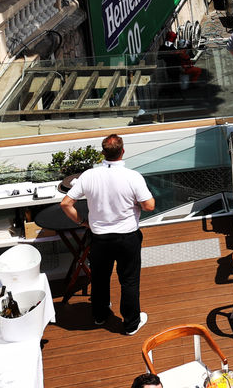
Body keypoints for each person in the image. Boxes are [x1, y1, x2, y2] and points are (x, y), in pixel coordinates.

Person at [60, 134, 155, 335]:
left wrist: (82, 222)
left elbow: (65, 203)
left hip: (99, 238)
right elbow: (149, 205)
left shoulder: (88, 176)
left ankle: (100, 315)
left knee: (100, 278)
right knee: (128, 280)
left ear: (103, 153)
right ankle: (131, 324)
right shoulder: (132, 176)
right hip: (127, 237)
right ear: (122, 151)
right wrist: (134, 203)